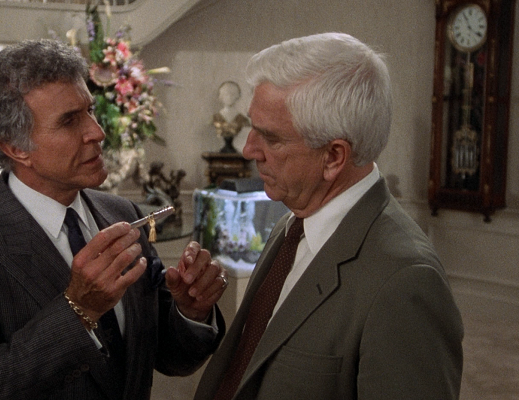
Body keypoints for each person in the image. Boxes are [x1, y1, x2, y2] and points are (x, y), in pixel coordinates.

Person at [0, 39, 227, 400]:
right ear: (16, 148)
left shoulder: (122, 214)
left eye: (89, 111)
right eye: (70, 121)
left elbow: (168, 357)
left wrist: (191, 311)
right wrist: (79, 311)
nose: (97, 132)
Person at [194, 32, 464, 400]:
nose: (249, 150)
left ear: (334, 157)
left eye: (271, 138)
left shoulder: (406, 281)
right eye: (252, 128)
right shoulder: (294, 224)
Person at [212, 81, 250, 153]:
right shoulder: (215, 118)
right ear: (221, 96)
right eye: (226, 94)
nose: (229, 97)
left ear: (237, 96)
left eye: (232, 94)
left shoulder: (242, 119)